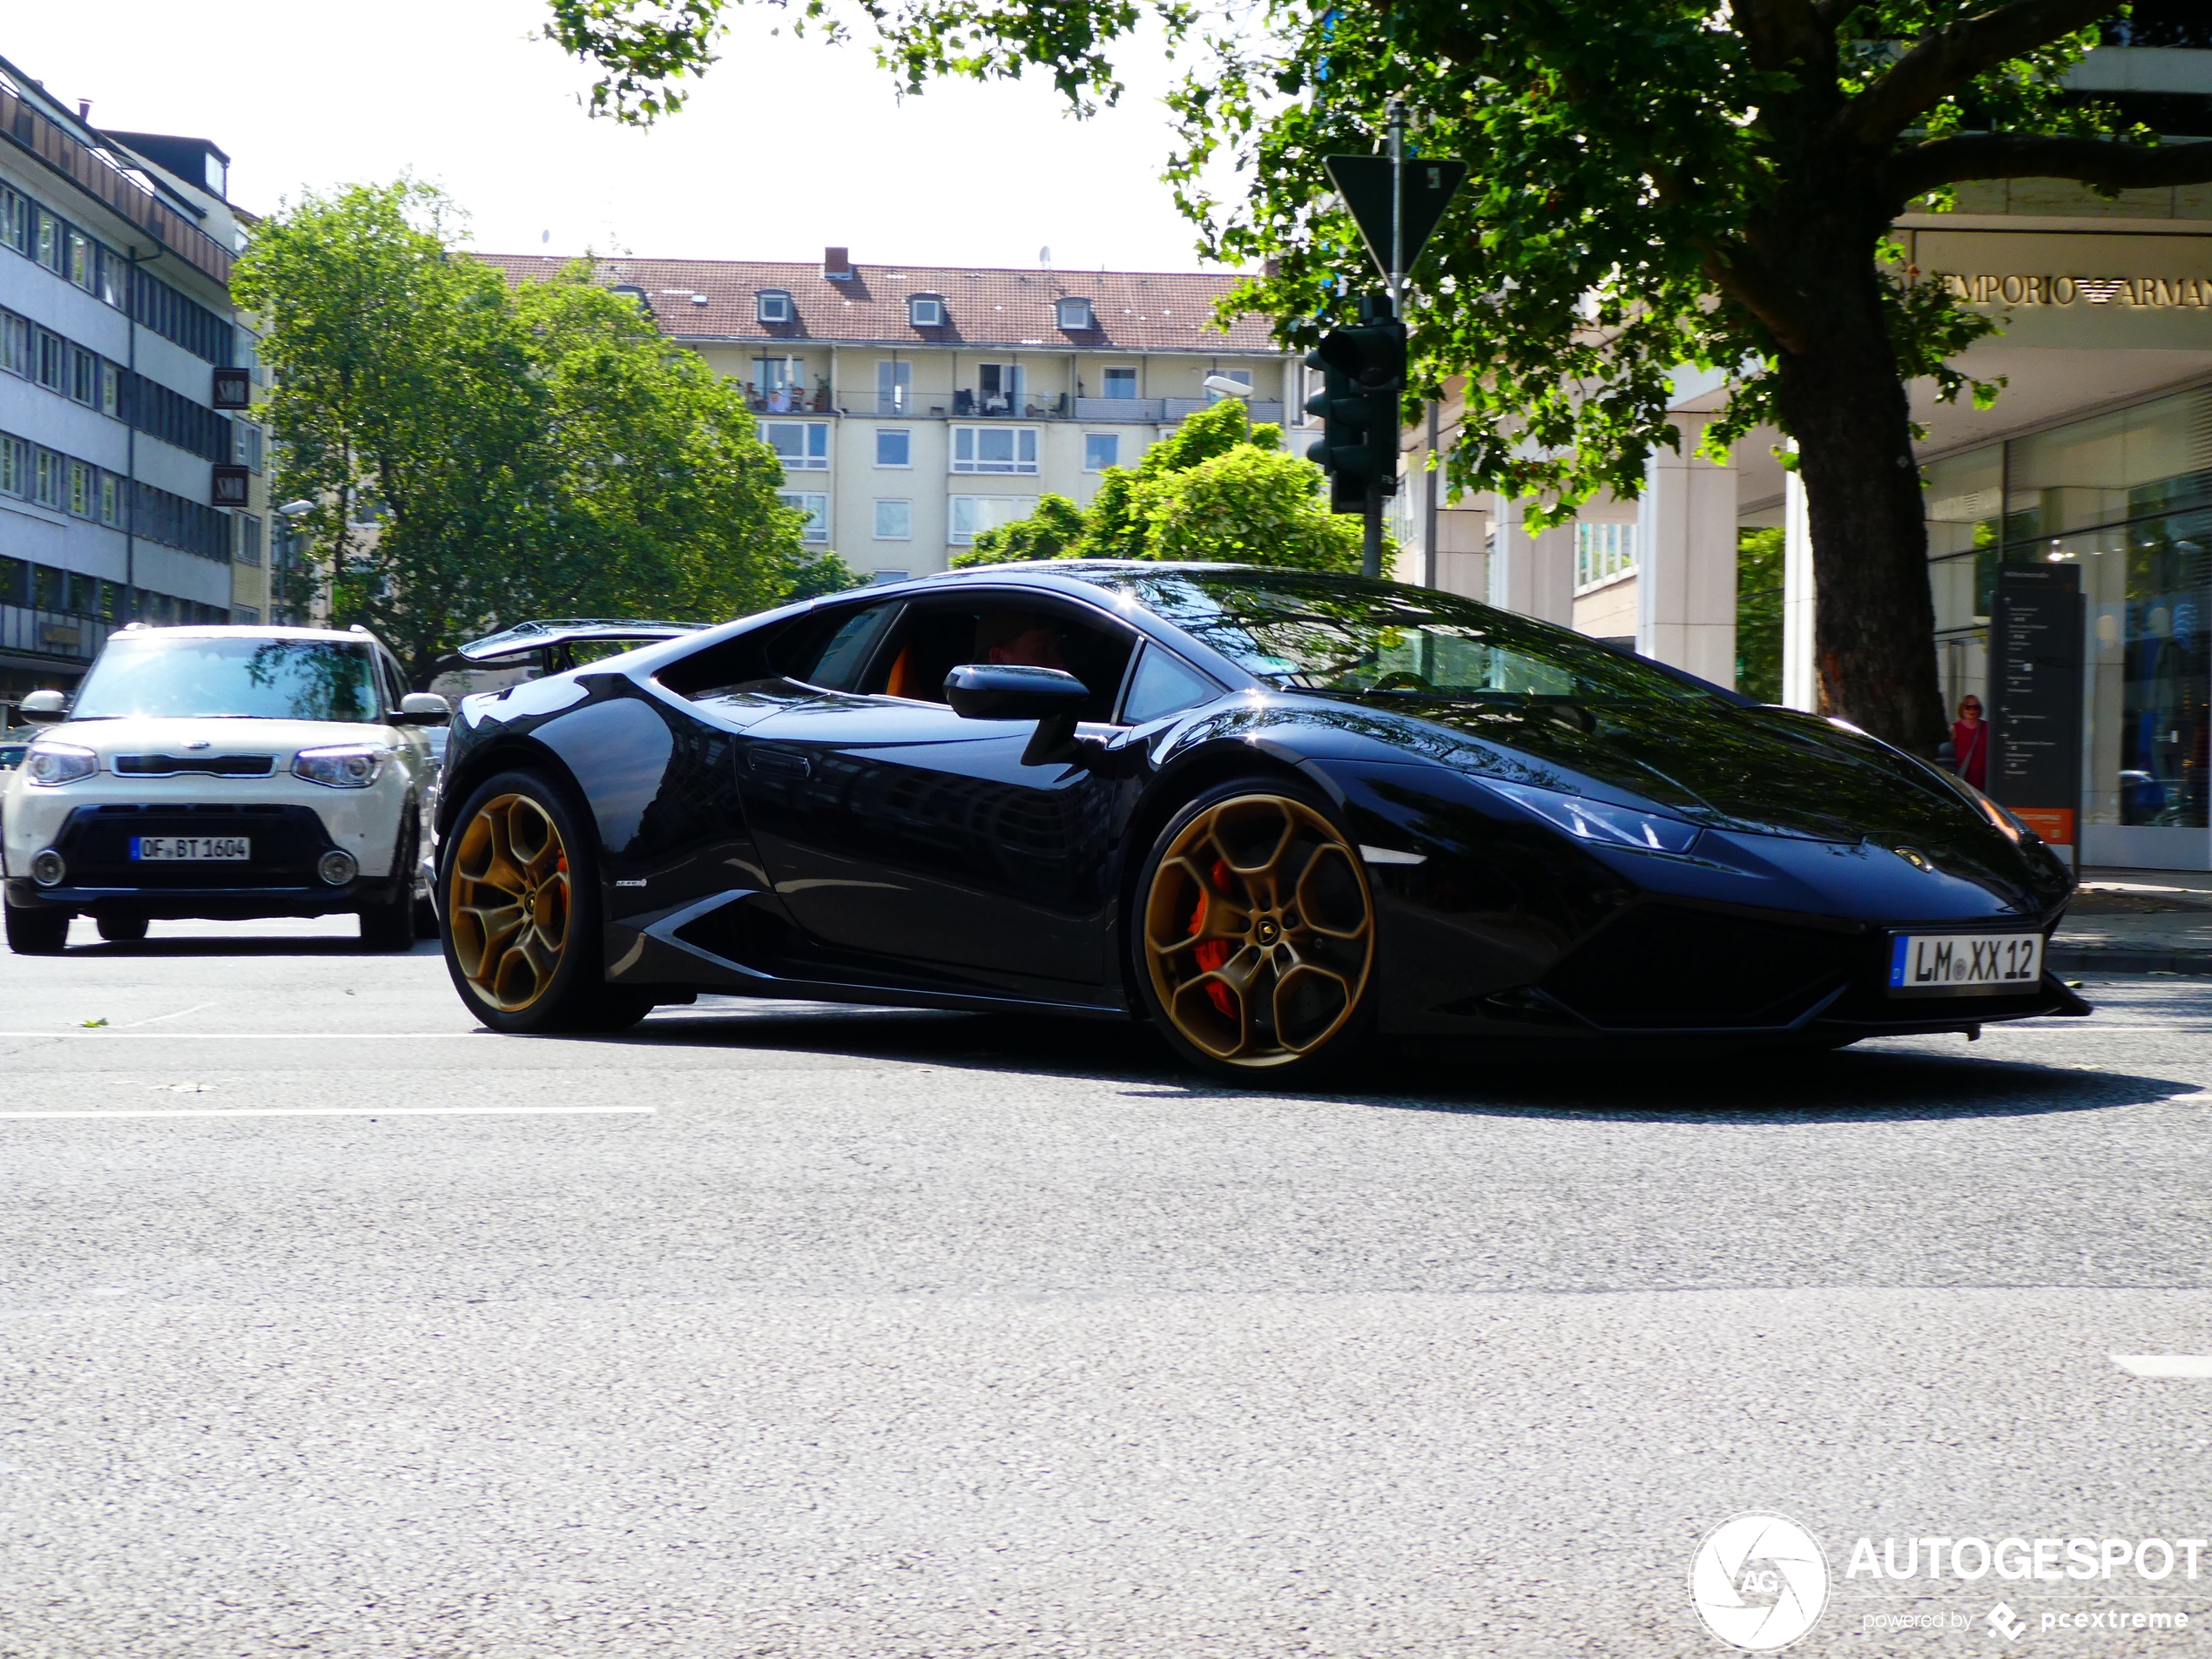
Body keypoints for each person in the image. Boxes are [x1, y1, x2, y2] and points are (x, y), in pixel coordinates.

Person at [1952, 695, 1988, 790]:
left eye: (1975, 707)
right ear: (1962, 709)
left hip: (1984, 778)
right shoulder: (1955, 728)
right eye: (1968, 707)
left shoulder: (1987, 727)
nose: (1972, 711)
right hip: (1963, 776)